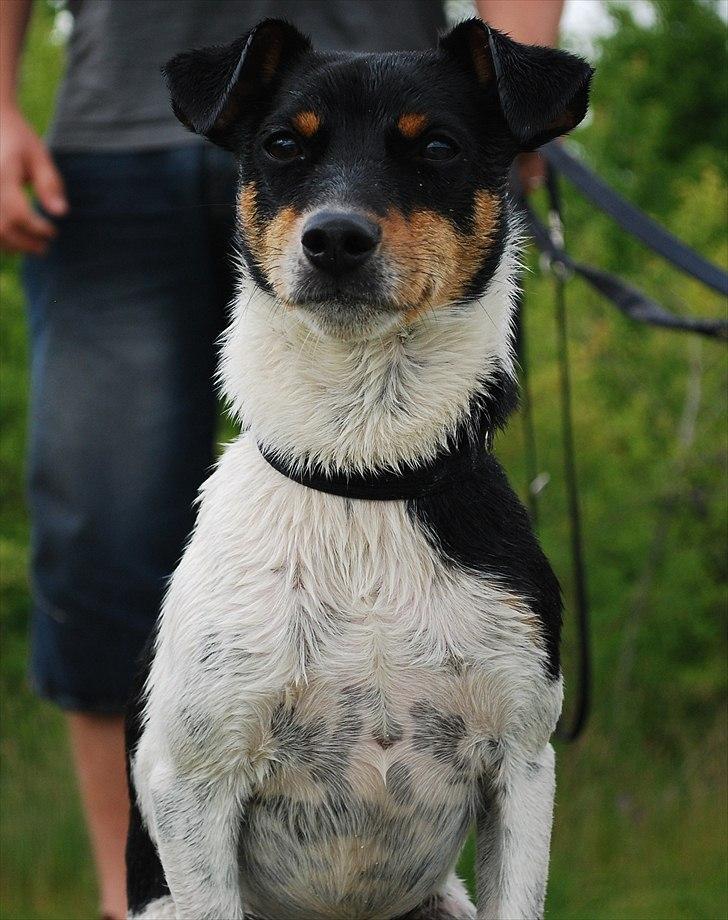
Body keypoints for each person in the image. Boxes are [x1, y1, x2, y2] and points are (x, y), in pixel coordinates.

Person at [0, 1, 564, 917]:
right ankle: (131, 898)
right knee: (96, 544)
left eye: (430, 157)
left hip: (399, 39)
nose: (339, 221)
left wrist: (515, 95)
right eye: (295, 159)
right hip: (108, 133)